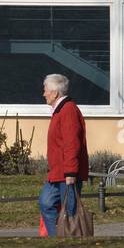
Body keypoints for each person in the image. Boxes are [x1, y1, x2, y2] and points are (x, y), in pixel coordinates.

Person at [39, 73, 89, 237]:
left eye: (45, 90)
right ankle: (57, 238)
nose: (44, 93)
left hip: (66, 173)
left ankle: (71, 242)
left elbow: (71, 144)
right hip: (57, 172)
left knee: (70, 211)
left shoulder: (68, 110)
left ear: (54, 92)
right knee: (46, 203)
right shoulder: (59, 110)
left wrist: (70, 173)